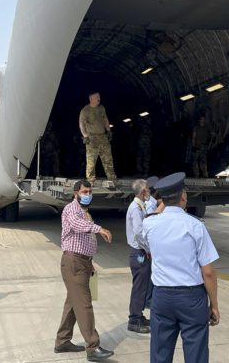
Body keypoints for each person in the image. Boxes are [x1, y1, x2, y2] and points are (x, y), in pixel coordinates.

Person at [140, 173, 220, 363]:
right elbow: (208, 271)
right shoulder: (195, 226)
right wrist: (214, 305)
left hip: (162, 296)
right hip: (192, 298)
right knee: (196, 353)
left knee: (160, 352)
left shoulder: (149, 224)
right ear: (183, 197)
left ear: (161, 199)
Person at [54, 180, 115, 361]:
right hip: (74, 262)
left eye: (89, 191)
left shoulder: (84, 212)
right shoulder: (71, 210)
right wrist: (99, 229)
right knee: (84, 304)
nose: (87, 195)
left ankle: (62, 341)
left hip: (83, 262)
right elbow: (77, 226)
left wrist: (90, 262)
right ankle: (92, 346)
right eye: (84, 192)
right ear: (75, 193)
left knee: (73, 303)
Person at [126, 179, 152, 334]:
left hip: (139, 252)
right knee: (139, 288)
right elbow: (138, 232)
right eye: (147, 189)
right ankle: (134, 319)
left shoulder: (140, 206)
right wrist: (148, 249)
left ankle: (138, 315)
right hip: (139, 253)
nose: (148, 192)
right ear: (143, 192)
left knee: (142, 287)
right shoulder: (136, 208)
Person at [79, 91, 117, 183]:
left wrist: (108, 131)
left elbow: (105, 119)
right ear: (91, 99)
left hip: (103, 137)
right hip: (92, 138)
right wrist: (85, 136)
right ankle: (91, 180)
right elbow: (81, 124)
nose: (99, 99)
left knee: (108, 159)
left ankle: (112, 179)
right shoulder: (85, 110)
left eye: (99, 97)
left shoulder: (101, 108)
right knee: (91, 161)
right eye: (97, 97)